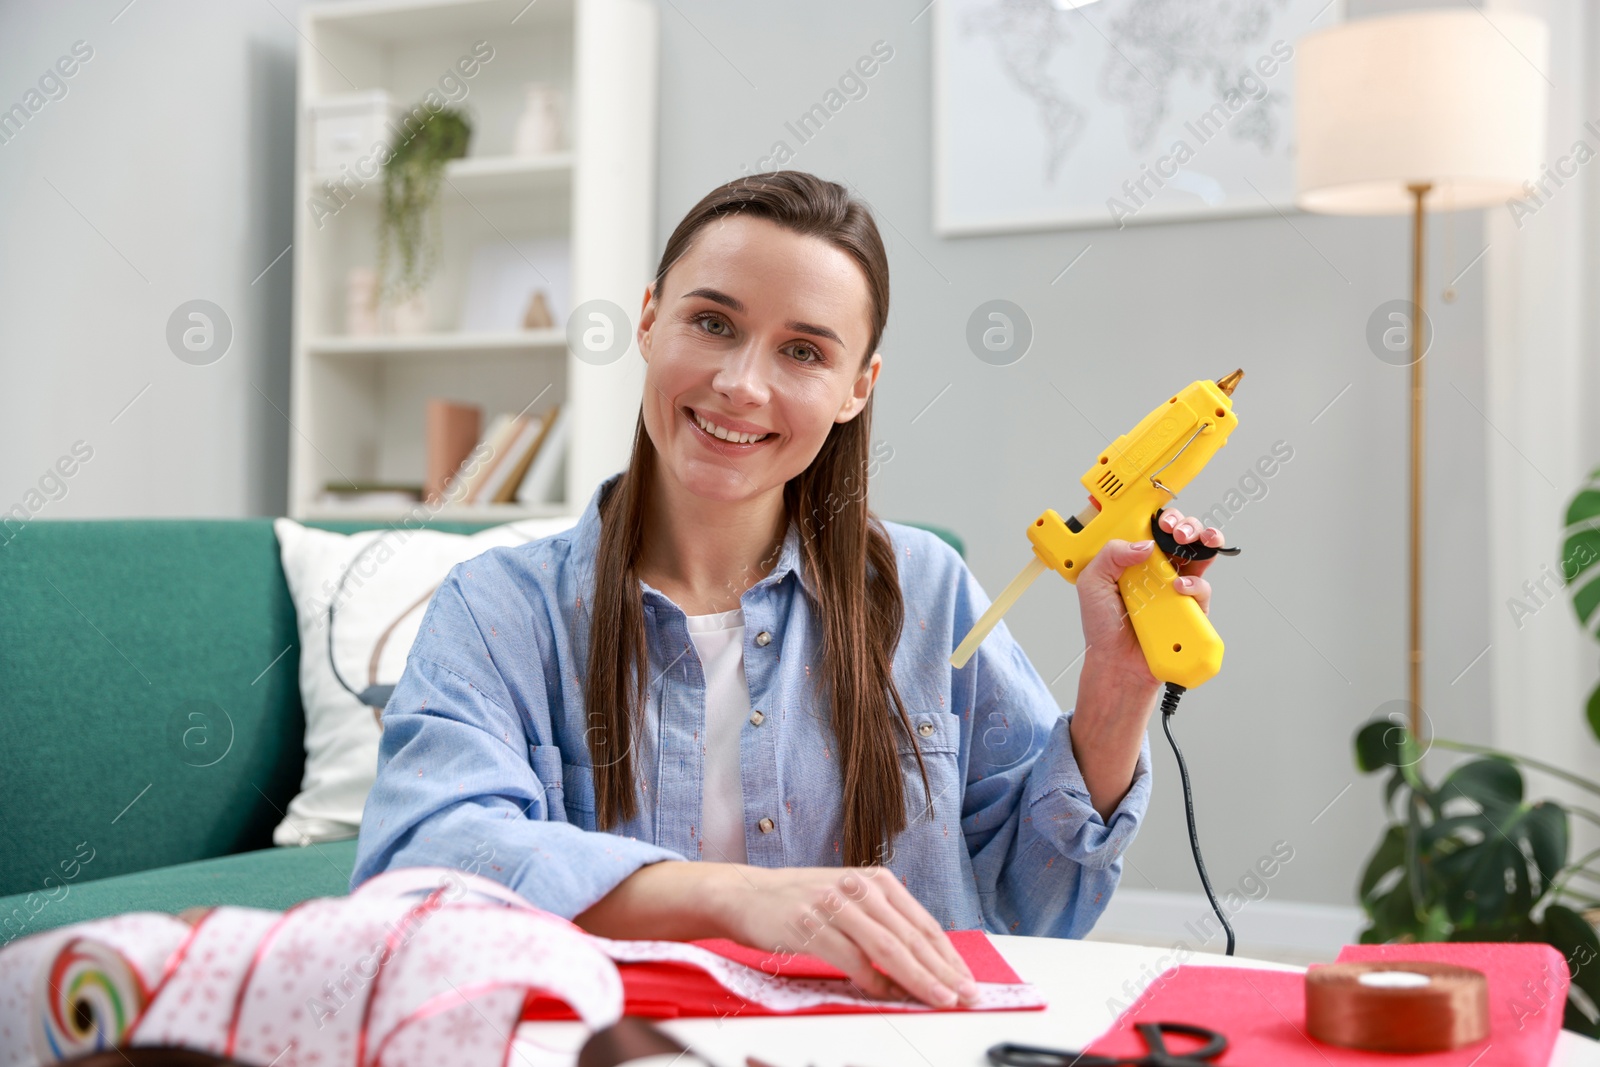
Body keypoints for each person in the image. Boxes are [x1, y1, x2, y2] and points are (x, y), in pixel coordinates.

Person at [350, 170, 1227, 1010]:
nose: (742, 384)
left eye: (803, 350)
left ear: (858, 387)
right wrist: (735, 897)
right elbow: (422, 871)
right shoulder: (497, 610)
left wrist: (1117, 689)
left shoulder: (925, 590)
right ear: (650, 319)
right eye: (713, 322)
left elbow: (1033, 909)